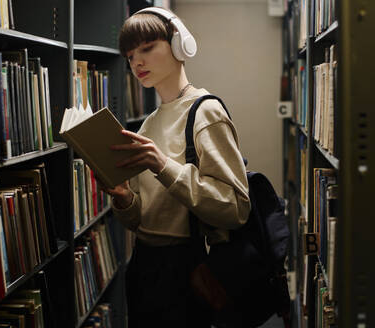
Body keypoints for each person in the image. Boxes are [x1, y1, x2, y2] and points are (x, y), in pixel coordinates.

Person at [101, 7, 251, 328]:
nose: (136, 62)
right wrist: (123, 198)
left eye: (146, 48)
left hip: (187, 266)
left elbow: (235, 208)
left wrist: (162, 165)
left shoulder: (205, 111)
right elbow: (139, 218)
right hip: (143, 264)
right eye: (129, 56)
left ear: (180, 44)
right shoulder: (148, 125)